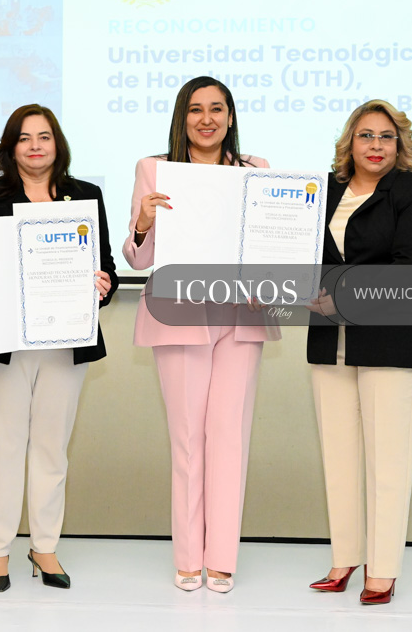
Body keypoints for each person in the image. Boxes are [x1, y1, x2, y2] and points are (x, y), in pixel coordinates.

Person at [0, 104, 117, 592]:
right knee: (2, 448)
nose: (35, 146)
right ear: (10, 148)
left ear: (58, 144)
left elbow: (107, 269)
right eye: (25, 138)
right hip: (2, 342)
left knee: (52, 449)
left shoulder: (86, 196)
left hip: (65, 342)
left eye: (44, 136)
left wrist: (103, 285)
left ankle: (44, 547)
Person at [122, 76, 280, 593]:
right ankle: (189, 557)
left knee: (229, 436)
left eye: (216, 109)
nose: (206, 119)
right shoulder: (154, 169)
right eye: (195, 109)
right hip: (179, 312)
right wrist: (142, 223)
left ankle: (222, 558)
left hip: (241, 313)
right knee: (188, 439)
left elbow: (269, 247)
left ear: (230, 117)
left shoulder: (256, 170)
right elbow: (138, 258)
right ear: (182, 117)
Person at [306, 99, 412, 604]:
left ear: (400, 144)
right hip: (330, 340)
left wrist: (342, 295)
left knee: (389, 461)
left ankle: (381, 569)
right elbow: (301, 254)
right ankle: (345, 558)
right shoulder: (324, 191)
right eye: (366, 135)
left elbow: (409, 267)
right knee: (338, 458)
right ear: (350, 142)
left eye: (386, 136)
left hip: (390, 340)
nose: (376, 145)